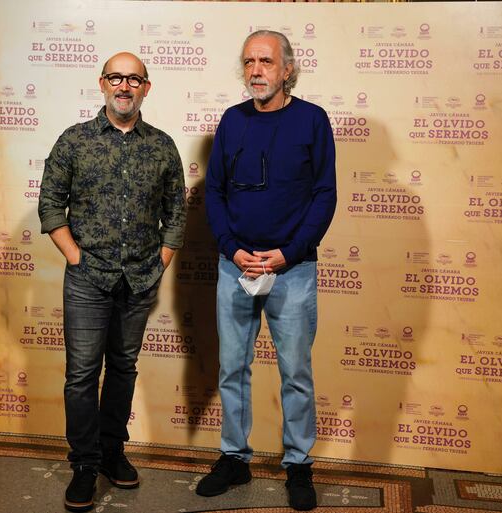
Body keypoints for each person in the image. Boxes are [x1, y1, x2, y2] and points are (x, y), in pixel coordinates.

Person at [38, 52, 186, 512]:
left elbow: (177, 212)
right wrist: (75, 256)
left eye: (134, 79)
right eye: (117, 77)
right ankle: (84, 464)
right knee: (82, 375)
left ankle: (112, 453)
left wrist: (159, 262)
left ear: (146, 87)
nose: (125, 86)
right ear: (103, 83)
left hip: (139, 280)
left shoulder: (162, 146)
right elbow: (49, 203)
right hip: (87, 278)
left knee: (122, 369)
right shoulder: (75, 141)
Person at [199, 30, 337, 511]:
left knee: (295, 370)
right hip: (234, 264)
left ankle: (298, 464)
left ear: (287, 69)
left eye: (265, 62)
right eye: (249, 62)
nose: (256, 70)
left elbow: (325, 195)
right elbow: (213, 192)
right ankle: (234, 458)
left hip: (291, 269)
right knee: (232, 367)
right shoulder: (232, 121)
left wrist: (289, 253)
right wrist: (232, 249)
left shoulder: (313, 121)